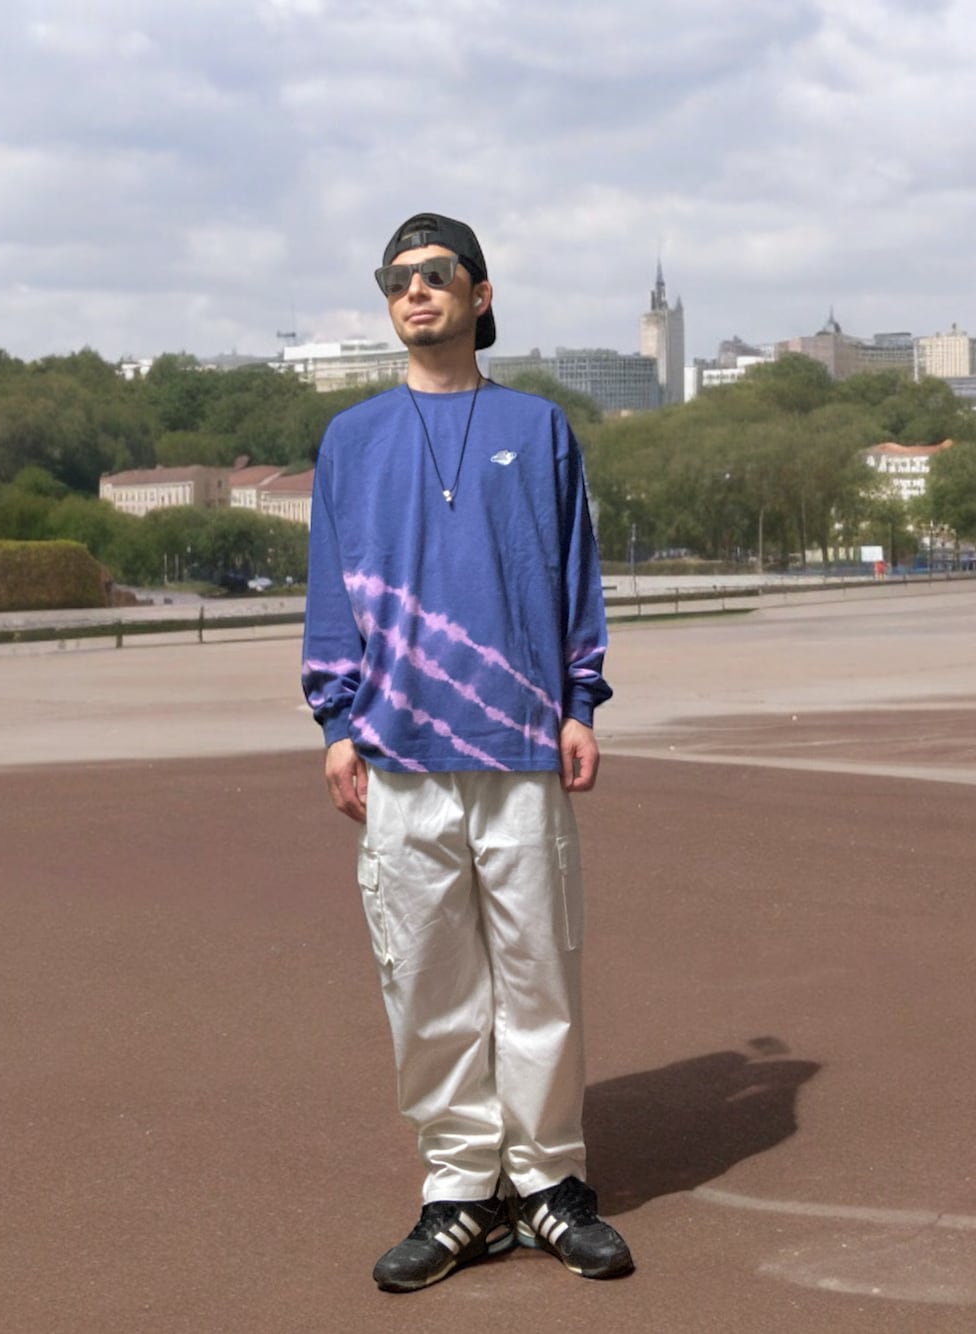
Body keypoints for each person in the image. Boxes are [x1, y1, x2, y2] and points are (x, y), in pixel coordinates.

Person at [301, 212, 633, 1292]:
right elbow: (330, 588)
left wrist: (580, 701)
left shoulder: (538, 427)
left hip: (521, 741)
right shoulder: (352, 438)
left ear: (479, 295)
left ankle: (547, 1180)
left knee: (540, 974)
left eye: (436, 273)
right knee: (426, 980)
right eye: (396, 277)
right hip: (398, 748)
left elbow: (571, 569)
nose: (415, 290)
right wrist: (335, 721)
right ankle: (460, 1191)